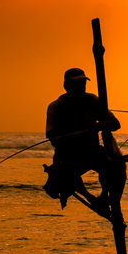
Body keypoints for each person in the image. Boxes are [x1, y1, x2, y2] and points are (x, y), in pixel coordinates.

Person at [43, 67, 121, 213]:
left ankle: (104, 197)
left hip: (92, 150)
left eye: (83, 83)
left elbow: (115, 123)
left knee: (112, 168)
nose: (80, 87)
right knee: (63, 173)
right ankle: (89, 196)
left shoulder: (91, 100)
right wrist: (74, 137)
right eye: (76, 84)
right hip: (66, 154)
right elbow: (54, 139)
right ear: (66, 86)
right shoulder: (55, 107)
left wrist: (99, 126)